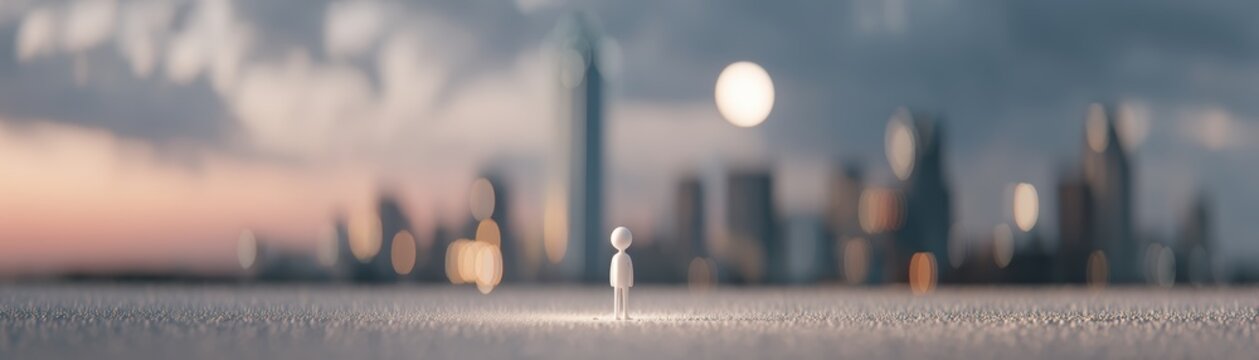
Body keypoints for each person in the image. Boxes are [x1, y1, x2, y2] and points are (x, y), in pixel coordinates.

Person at [610, 226, 634, 320]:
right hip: (618, 280)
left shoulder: (625, 257)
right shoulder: (616, 257)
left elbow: (630, 269)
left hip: (622, 280)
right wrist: (612, 281)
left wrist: (630, 281)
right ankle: (617, 314)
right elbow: (612, 269)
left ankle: (625, 314)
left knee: (624, 298)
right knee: (617, 297)